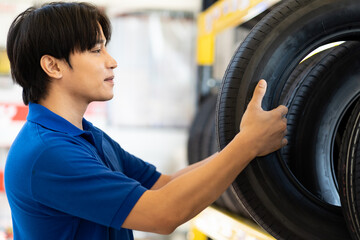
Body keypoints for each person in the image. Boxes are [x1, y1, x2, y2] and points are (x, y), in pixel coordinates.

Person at [4, 2, 288, 240]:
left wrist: (242, 141)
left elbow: (164, 184)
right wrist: (247, 144)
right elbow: (162, 214)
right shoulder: (48, 154)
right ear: (53, 66)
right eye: (95, 50)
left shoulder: (85, 136)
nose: (112, 61)